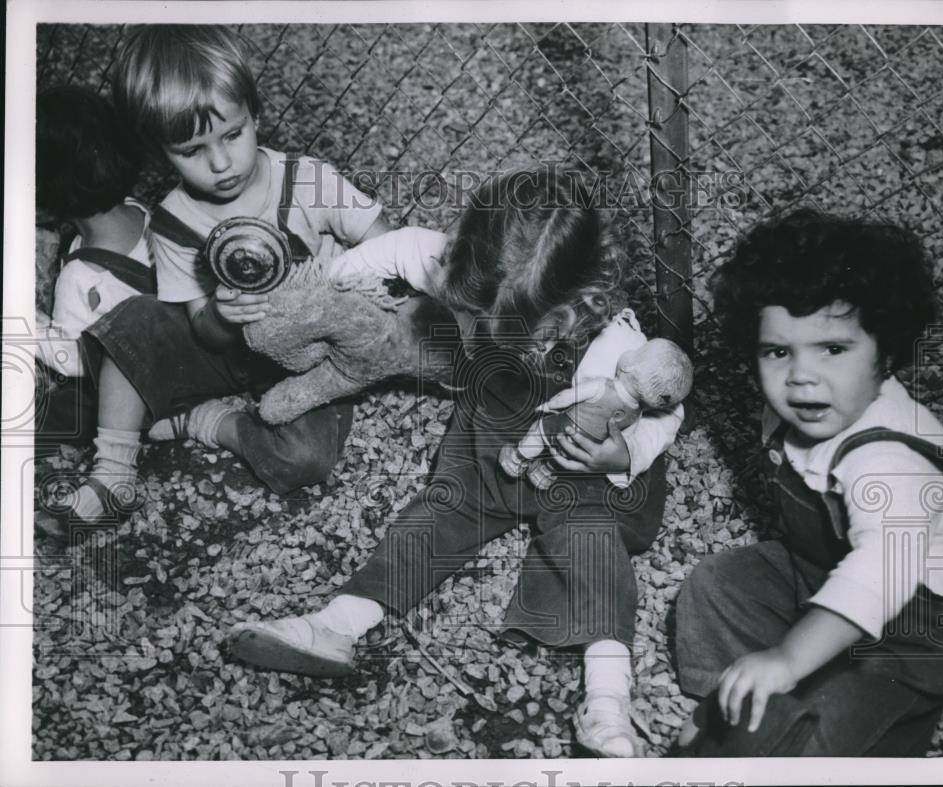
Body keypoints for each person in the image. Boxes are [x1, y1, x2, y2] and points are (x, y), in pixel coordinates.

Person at [226, 169, 688, 758]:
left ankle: (607, 699)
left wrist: (623, 454)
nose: (478, 331)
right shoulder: (455, 263)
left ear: (569, 313)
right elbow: (398, 250)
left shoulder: (617, 345)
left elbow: (665, 414)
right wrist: (327, 287)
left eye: (501, 328)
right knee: (443, 507)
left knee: (588, 542)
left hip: (583, 458)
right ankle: (339, 622)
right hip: (496, 433)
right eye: (473, 316)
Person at [40, 25, 391, 529]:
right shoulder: (174, 221)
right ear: (159, 150)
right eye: (192, 151)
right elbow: (202, 328)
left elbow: (388, 244)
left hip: (311, 360)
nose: (222, 163)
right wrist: (222, 314)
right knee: (128, 322)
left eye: (233, 134)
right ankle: (113, 471)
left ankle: (198, 421)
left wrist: (356, 289)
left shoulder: (309, 180)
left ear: (254, 111)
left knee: (305, 460)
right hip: (232, 354)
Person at [674, 209, 943, 756]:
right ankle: (730, 697)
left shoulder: (888, 457)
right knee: (716, 584)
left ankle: (830, 711)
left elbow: (883, 569)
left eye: (833, 349)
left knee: (820, 729)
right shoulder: (804, 410)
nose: (801, 376)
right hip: (823, 570)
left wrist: (789, 659)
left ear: (886, 352)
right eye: (778, 352)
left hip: (915, 624)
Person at [33, 85, 155, 450]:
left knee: (38, 421)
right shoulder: (144, 213)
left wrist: (28, 319)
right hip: (165, 361)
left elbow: (71, 360)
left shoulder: (80, 278)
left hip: (123, 395)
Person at [499, 336, 693, 490]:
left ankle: (518, 458)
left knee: (538, 431)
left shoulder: (603, 385)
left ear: (628, 366)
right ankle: (544, 473)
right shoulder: (636, 415)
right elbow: (623, 437)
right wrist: (620, 453)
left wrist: (549, 406)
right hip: (585, 446)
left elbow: (569, 396)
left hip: (563, 424)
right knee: (562, 459)